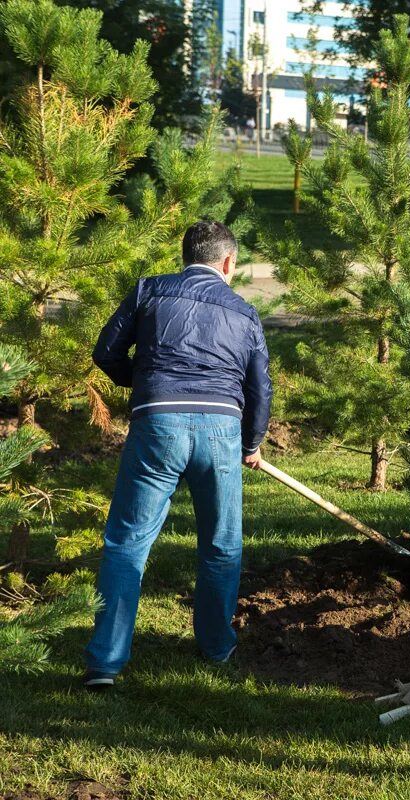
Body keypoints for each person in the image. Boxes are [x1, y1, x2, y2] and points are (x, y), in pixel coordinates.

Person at [84, 221, 272, 691]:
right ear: (228, 263)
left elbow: (105, 351)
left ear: (185, 254)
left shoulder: (150, 290)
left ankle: (105, 663)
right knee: (221, 544)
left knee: (127, 542)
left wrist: (145, 381)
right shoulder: (245, 312)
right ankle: (216, 646)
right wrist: (252, 443)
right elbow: (259, 388)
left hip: (157, 424)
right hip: (221, 433)